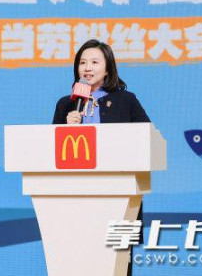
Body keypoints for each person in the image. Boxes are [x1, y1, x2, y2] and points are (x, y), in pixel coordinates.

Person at [52, 39, 150, 276]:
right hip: (76, 195)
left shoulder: (126, 101)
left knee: (117, 264)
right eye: (82, 62)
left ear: (107, 69)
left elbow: (146, 137)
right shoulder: (66, 104)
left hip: (119, 193)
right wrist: (65, 128)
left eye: (95, 62)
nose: (87, 67)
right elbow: (51, 151)